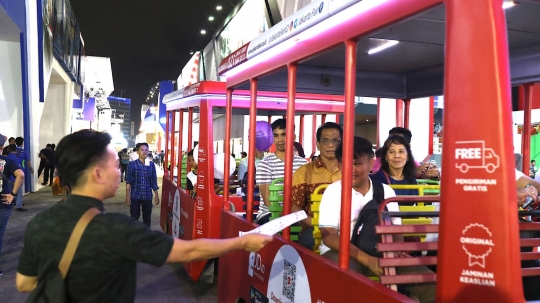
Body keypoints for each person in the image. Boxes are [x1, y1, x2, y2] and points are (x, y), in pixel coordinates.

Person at [15, 129, 271, 300]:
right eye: (115, 165)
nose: (119, 171)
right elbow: (188, 251)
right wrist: (242, 242)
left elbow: (24, 283)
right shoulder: (116, 229)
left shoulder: (40, 222)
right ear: (98, 174)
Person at [319, 136, 435, 303]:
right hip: (344, 252)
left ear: (371, 163)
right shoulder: (333, 192)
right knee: (345, 284)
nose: (350, 169)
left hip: (382, 252)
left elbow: (396, 231)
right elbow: (329, 236)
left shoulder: (387, 192)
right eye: (345, 164)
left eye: (357, 163)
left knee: (430, 284)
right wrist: (370, 261)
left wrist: (394, 252)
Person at [291, 122, 343, 249]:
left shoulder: (351, 171)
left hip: (348, 227)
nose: (331, 145)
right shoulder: (303, 172)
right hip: (313, 228)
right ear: (318, 145)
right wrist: (318, 224)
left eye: (335, 141)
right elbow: (295, 209)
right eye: (325, 141)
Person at [256, 119, 308, 224]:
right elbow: (268, 201)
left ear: (293, 137)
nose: (279, 140)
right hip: (269, 214)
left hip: (297, 214)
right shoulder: (265, 164)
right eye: (276, 135)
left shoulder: (304, 164)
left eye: (284, 135)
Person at [0, 134, 25, 276]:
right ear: (2, 148)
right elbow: (21, 175)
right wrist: (13, 195)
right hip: (3, 203)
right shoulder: (7, 161)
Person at [372, 127, 439, 179]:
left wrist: (433, 174)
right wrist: (413, 172)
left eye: (401, 151)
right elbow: (377, 177)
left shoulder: (412, 162)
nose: (397, 156)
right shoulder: (379, 164)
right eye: (392, 151)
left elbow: (422, 176)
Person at [126, 143, 159, 227]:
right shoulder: (132, 165)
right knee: (134, 217)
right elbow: (128, 182)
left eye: (146, 150)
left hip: (147, 195)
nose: (144, 152)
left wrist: (156, 194)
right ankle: (133, 236)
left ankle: (146, 237)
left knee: (147, 218)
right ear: (137, 152)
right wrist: (127, 197)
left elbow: (153, 181)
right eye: (142, 150)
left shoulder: (151, 165)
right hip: (135, 195)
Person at [6, 144, 27, 211]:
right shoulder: (18, 157)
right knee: (19, 192)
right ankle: (18, 206)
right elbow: (21, 168)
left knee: (9, 191)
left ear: (8, 149)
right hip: (17, 178)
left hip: (8, 178)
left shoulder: (6, 158)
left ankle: (9, 203)